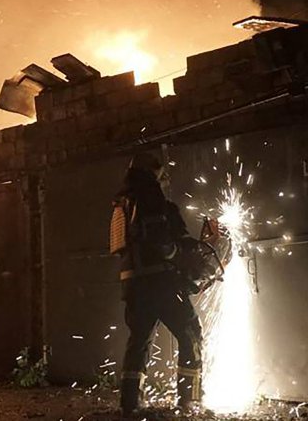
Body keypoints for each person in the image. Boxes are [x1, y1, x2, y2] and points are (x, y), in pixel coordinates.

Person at [114, 151, 203, 416]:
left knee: (139, 340)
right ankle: (189, 400)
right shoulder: (148, 193)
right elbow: (160, 240)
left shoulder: (122, 201)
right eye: (161, 172)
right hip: (159, 282)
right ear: (152, 170)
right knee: (190, 333)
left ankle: (129, 404)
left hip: (133, 285)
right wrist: (179, 257)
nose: (164, 178)